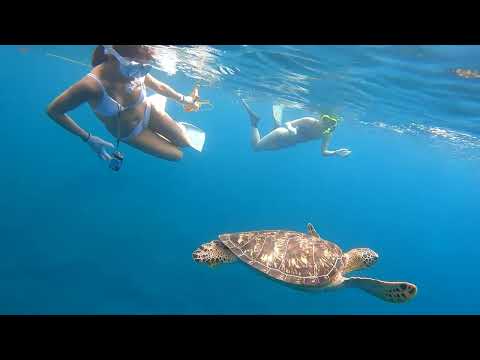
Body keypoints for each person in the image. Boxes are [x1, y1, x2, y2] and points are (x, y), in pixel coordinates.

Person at [46, 45, 205, 168]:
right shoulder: (91, 85)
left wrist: (185, 100)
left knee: (185, 141)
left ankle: (162, 113)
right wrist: (88, 138)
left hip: (149, 110)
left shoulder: (135, 66)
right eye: (136, 65)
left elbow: (159, 86)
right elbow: (53, 111)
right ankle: (161, 121)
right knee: (177, 155)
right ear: (114, 56)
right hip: (132, 132)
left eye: (143, 66)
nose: (140, 70)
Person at [240, 99, 351, 157]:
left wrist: (335, 152)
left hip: (286, 144)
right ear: (321, 117)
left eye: (331, 122)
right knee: (256, 148)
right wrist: (291, 129)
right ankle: (254, 122)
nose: (326, 123)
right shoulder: (310, 121)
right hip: (281, 134)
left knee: (261, 148)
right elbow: (289, 123)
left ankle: (274, 123)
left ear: (334, 125)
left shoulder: (326, 134)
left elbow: (324, 152)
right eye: (325, 119)